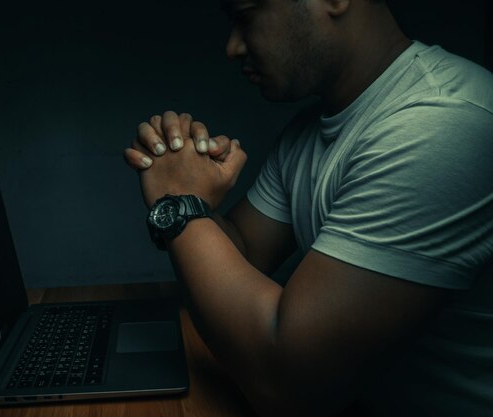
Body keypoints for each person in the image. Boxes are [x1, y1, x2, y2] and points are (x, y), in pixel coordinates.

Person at [123, 0, 493, 416]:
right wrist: (188, 185)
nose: (232, 47)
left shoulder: (443, 123)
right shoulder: (309, 130)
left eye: (244, 17)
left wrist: (180, 204)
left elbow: (286, 382)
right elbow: (241, 258)